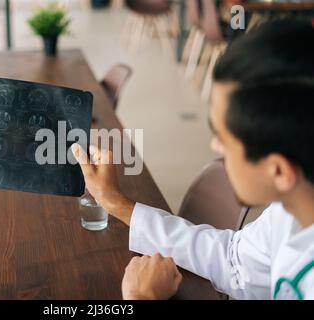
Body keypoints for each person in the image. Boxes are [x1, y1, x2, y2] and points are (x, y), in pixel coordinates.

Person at [71, 19, 314, 300]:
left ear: (280, 171)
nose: (215, 147)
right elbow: (235, 262)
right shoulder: (294, 204)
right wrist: (117, 203)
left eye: (223, 138)